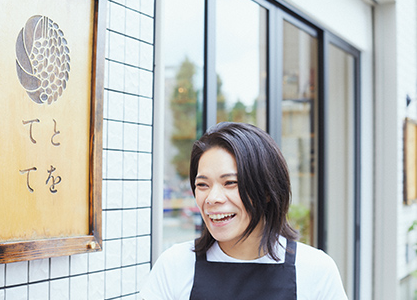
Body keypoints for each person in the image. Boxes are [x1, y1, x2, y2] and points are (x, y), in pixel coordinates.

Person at [140, 122, 348, 299]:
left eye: (230, 182)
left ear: (267, 190)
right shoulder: (175, 265)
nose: (212, 198)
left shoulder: (315, 269)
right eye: (203, 185)